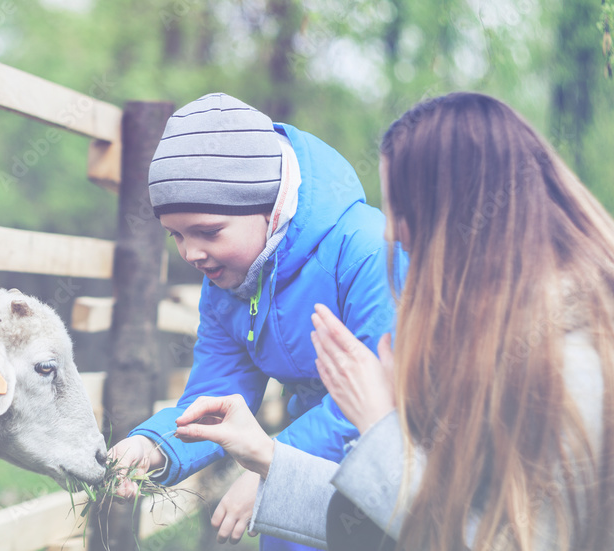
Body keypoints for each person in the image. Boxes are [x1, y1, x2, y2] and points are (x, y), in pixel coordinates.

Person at [173, 91, 614, 551]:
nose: (389, 229)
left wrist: (379, 423)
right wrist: (270, 458)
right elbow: (415, 514)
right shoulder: (494, 339)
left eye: (401, 207)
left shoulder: (572, 364)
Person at [108, 92, 405, 551]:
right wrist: (153, 446)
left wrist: (274, 464)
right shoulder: (227, 277)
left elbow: (382, 394)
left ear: (269, 206)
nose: (190, 253)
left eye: (207, 232)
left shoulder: (366, 249)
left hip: (387, 465)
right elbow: (216, 396)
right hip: (301, 456)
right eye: (176, 236)